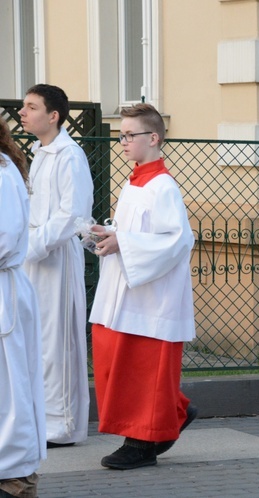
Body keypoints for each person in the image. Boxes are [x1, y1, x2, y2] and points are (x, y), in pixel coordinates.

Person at [89, 103, 198, 470]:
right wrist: (110, 235)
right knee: (113, 360)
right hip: (124, 293)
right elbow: (136, 233)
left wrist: (125, 242)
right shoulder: (134, 182)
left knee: (143, 370)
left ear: (153, 138)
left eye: (128, 135)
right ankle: (173, 413)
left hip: (152, 300)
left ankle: (142, 443)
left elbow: (179, 241)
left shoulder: (162, 186)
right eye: (120, 135)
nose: (122, 141)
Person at [19, 84, 93, 448]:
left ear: (54, 116)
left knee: (57, 340)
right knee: (37, 338)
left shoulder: (69, 155)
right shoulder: (40, 152)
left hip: (56, 258)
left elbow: (72, 215)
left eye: (31, 107)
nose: (22, 113)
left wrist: (30, 244)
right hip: (33, 257)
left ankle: (62, 425)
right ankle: (40, 418)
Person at [0, 119, 46, 498]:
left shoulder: (1, 170)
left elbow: (6, 234)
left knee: (12, 386)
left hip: (4, 293)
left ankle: (18, 478)